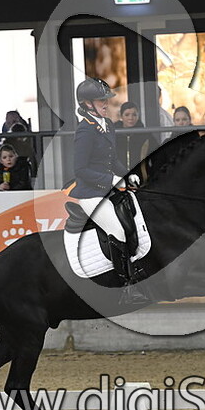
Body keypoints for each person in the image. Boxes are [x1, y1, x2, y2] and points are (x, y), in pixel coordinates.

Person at [69, 77, 146, 304]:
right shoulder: (85, 130)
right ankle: (126, 288)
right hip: (90, 194)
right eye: (101, 100)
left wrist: (127, 174)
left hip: (108, 188)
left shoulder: (108, 125)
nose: (106, 103)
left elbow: (112, 160)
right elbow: (80, 169)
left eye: (106, 99)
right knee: (118, 230)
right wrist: (111, 180)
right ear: (87, 103)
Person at [114, 101, 156, 172]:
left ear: (138, 116)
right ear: (121, 116)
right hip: (117, 175)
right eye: (127, 115)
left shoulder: (145, 134)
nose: (131, 118)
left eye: (134, 115)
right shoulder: (114, 134)